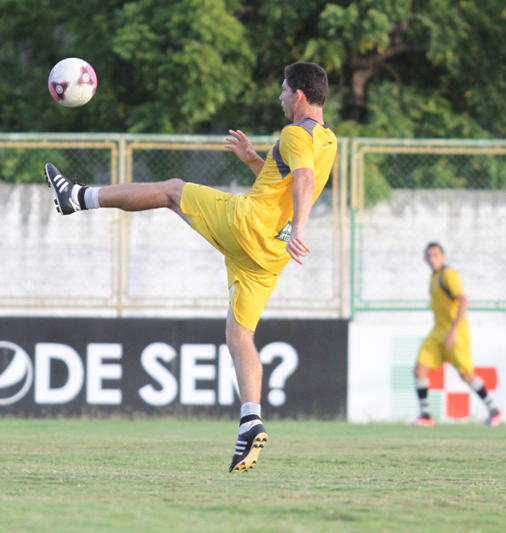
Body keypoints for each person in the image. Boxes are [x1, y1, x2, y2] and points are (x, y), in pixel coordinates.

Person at [44, 62, 337, 473]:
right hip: (270, 252)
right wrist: (254, 160)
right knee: (240, 335)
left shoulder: (295, 132)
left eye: (285, 90)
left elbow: (303, 180)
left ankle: (77, 197)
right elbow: (289, 180)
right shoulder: (328, 140)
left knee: (171, 191)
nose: (281, 97)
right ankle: (250, 421)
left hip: (247, 225)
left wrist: (303, 227)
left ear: (301, 95)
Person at [412, 242, 503, 426]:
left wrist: (453, 331)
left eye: (436, 255)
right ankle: (426, 415)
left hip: (455, 332)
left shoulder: (449, 274)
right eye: (429, 256)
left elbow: (463, 300)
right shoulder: (434, 277)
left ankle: (495, 411)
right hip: (437, 331)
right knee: (419, 369)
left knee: (466, 375)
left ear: (443, 257)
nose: (432, 259)